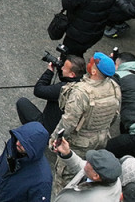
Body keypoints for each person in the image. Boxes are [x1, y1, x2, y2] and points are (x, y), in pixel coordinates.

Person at [52, 53, 122, 187]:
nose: (88, 64)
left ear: (94, 71)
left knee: (65, 176)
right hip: (101, 140)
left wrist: (54, 140)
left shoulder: (81, 92)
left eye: (91, 63)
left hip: (79, 143)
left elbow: (68, 123)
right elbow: (114, 116)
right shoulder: (114, 87)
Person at [48, 136, 122, 202]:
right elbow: (81, 166)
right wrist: (67, 154)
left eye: (88, 163)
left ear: (96, 176)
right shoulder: (111, 177)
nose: (86, 162)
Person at [0, 122, 52, 202]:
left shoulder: (42, 180)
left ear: (33, 147)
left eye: (23, 144)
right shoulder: (13, 145)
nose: (17, 143)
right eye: (18, 139)